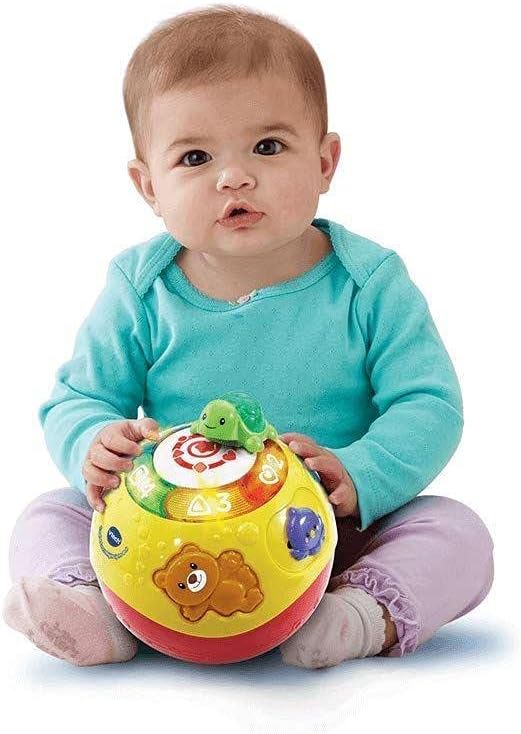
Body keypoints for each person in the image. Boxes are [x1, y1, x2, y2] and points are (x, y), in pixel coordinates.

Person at [3, 5, 493, 669]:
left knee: (457, 532)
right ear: (149, 187)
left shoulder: (369, 282)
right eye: (195, 157)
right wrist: (94, 443)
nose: (232, 177)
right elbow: (78, 398)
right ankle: (98, 609)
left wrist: (359, 473)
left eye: (267, 147)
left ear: (325, 162)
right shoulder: (141, 289)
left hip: (327, 533)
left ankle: (354, 613)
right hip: (166, 546)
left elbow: (428, 403)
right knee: (47, 514)